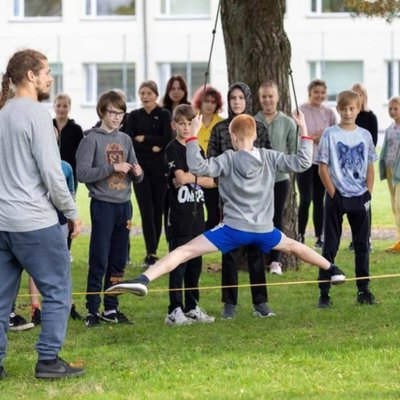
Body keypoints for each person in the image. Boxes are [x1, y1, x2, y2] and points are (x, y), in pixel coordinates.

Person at [106, 114, 346, 302]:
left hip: (233, 229)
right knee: (294, 246)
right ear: (255, 135)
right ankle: (332, 269)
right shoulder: (270, 156)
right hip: (264, 230)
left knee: (185, 251)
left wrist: (193, 137)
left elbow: (198, 168)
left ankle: (143, 279)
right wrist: (303, 130)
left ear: (232, 136)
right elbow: (303, 162)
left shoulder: (228, 159)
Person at [0, 49, 83, 379]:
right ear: (31, 76)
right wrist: (73, 212)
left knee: (1, 298)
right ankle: (48, 360)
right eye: (46, 71)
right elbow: (52, 172)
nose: (50, 77)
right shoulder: (36, 114)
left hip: (3, 223)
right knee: (58, 291)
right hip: (35, 222)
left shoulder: (2, 113)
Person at [76, 90, 144, 328]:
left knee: (118, 259)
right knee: (99, 258)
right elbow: (82, 173)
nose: (116, 117)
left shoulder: (125, 140)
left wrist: (138, 172)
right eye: (112, 112)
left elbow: (136, 173)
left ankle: (111, 308)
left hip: (124, 206)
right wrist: (112, 167)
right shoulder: (90, 140)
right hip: (103, 205)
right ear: (102, 112)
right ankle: (92, 310)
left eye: (120, 113)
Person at [207, 82, 272, 319]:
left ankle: (260, 303)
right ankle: (229, 304)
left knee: (256, 252)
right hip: (230, 201)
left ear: (247, 100)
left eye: (241, 98)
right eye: (233, 98)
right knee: (230, 252)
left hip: (255, 201)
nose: (236, 102)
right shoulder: (220, 129)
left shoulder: (259, 128)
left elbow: (266, 160)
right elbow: (212, 160)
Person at [315, 90, 377, 308]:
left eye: (352, 109)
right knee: (330, 245)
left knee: (362, 245)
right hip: (337, 197)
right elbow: (322, 168)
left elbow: (370, 167)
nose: (348, 113)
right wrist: (334, 194)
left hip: (360, 197)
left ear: (358, 109)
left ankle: (363, 289)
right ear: (338, 109)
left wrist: (368, 194)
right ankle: (324, 292)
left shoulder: (365, 136)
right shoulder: (330, 134)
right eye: (344, 109)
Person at [163, 104, 216, 326]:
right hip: (179, 215)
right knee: (179, 262)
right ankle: (174, 310)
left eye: (189, 123)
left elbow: (211, 181)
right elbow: (179, 178)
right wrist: (192, 177)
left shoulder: (197, 148)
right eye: (182, 123)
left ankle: (192, 306)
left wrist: (190, 177)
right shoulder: (172, 149)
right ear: (174, 125)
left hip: (197, 214)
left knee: (195, 263)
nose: (186, 127)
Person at [125, 81, 172, 268]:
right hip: (140, 168)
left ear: (156, 95)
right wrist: (152, 146)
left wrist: (145, 138)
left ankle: (154, 251)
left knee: (158, 210)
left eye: (149, 93)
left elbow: (167, 138)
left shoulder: (164, 114)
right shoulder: (134, 116)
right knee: (146, 210)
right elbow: (130, 140)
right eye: (142, 93)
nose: (145, 96)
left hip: (160, 169)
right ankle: (150, 252)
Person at [254, 80, 298, 275]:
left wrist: (281, 164)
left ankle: (275, 261)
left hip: (279, 179)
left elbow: (294, 152)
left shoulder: (288, 122)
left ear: (278, 97)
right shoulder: (253, 121)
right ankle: (257, 257)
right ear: (259, 98)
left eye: (271, 96)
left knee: (276, 217)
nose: (267, 100)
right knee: (257, 217)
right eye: (264, 97)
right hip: (257, 180)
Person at [297, 79, 336, 248]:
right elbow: (297, 134)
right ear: (310, 93)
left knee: (319, 200)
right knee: (305, 199)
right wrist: (311, 138)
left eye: (322, 92)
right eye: (316, 92)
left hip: (322, 162)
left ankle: (320, 236)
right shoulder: (300, 110)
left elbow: (334, 135)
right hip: (305, 161)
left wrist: (322, 138)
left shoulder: (329, 113)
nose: (319, 95)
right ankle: (300, 234)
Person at [348, 83, 378, 252]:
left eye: (360, 94)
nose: (357, 97)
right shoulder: (348, 117)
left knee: (365, 201)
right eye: (354, 94)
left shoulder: (370, 117)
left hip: (364, 166)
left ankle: (367, 239)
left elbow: (373, 142)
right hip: (348, 167)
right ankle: (355, 239)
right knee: (350, 201)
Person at [53, 94, 83, 260]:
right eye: (59, 105)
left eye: (65, 106)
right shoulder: (47, 126)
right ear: (54, 106)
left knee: (68, 209)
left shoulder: (76, 129)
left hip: (69, 174)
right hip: (50, 173)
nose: (61, 109)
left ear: (69, 107)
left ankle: (67, 248)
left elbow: (81, 153)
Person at [192, 85, 224, 230]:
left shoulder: (222, 123)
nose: (209, 105)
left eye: (213, 102)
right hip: (195, 175)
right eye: (206, 101)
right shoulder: (194, 121)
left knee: (214, 216)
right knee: (194, 215)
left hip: (214, 176)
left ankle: (204, 237)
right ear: (200, 102)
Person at [379, 96, 400, 252]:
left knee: (399, 205)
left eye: (396, 109)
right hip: (390, 169)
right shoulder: (390, 129)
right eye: (390, 109)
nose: (392, 111)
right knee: (394, 205)